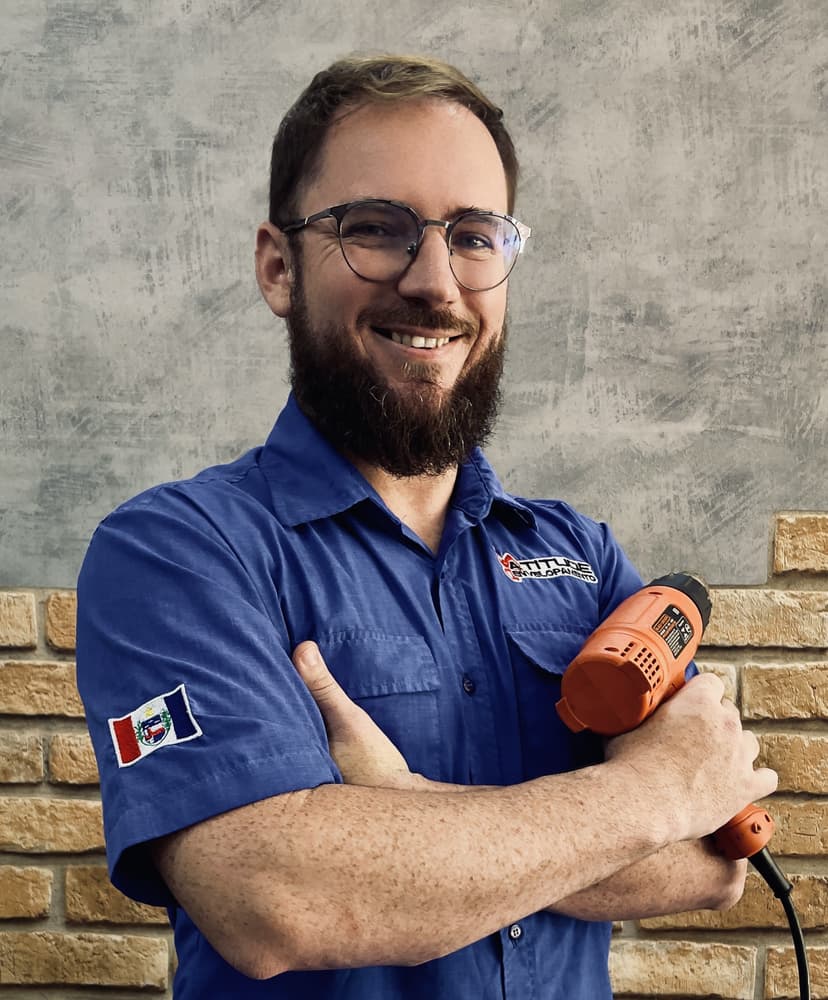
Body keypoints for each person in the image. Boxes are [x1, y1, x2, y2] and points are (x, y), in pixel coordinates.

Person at [76, 54, 777, 1000]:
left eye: (476, 236)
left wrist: (401, 814)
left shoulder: (580, 556)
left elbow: (716, 857)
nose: (436, 282)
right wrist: (650, 795)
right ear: (279, 267)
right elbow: (275, 896)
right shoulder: (179, 552)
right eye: (377, 229)